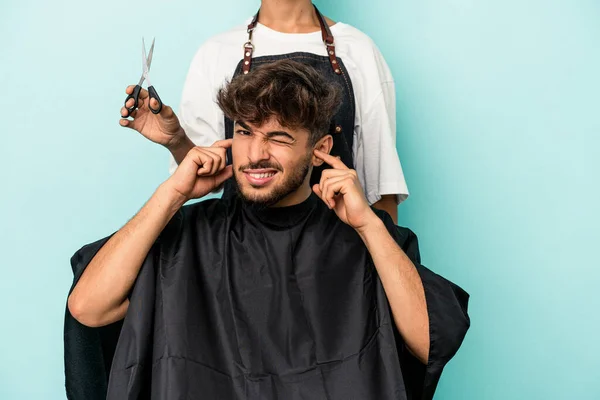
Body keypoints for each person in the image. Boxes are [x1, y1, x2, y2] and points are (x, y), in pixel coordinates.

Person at [66, 60, 469, 400]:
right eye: (244, 132)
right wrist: (173, 193)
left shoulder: (366, 237)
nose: (256, 153)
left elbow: (429, 342)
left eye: (277, 137)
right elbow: (89, 308)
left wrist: (368, 225)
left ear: (320, 149)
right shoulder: (186, 234)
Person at [120, 0, 408, 223]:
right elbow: (206, 176)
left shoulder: (360, 50)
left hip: (339, 259)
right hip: (240, 257)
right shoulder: (216, 53)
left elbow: (382, 191)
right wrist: (177, 141)